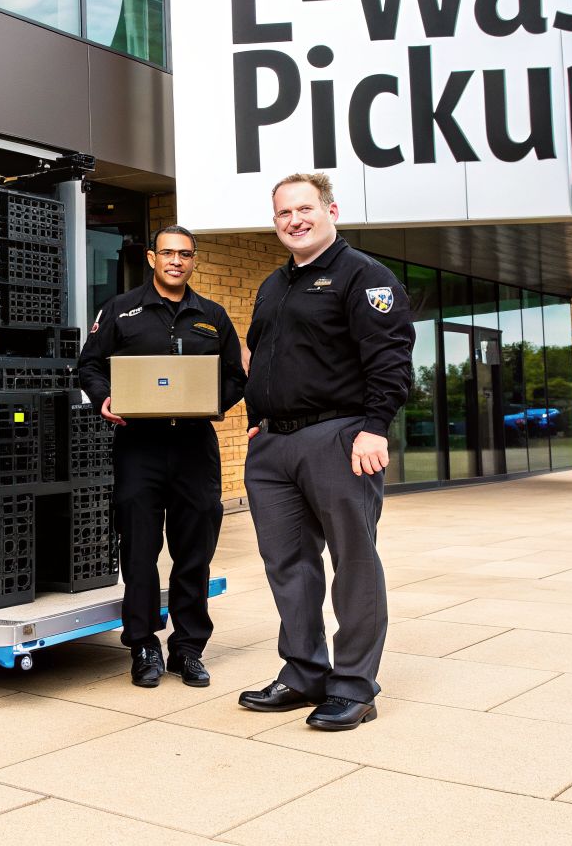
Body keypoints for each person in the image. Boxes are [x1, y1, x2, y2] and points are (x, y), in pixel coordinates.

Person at [236, 173, 414, 731]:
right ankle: (304, 672)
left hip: (338, 437)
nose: (295, 220)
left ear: (331, 209)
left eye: (305, 209)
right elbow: (261, 356)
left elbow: (390, 358)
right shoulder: (273, 284)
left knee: (353, 561)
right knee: (287, 564)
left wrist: (375, 428)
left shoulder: (365, 276)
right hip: (273, 445)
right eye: (284, 213)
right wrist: (258, 420)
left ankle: (355, 686)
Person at [76, 225, 246, 688]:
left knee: (194, 553)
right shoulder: (120, 310)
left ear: (194, 261)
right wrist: (103, 397)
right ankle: (144, 645)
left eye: (185, 254)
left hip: (194, 447)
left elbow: (236, 375)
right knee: (139, 551)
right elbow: (89, 364)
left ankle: (188, 649)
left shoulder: (212, 316)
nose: (176, 261)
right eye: (168, 253)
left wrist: (212, 403)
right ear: (152, 257)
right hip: (140, 447)